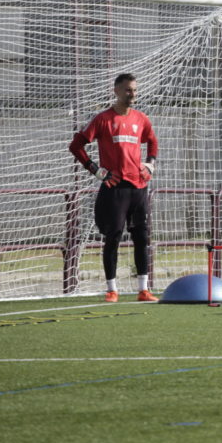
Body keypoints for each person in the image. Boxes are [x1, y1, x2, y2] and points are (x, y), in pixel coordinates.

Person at [69, 73, 159, 303]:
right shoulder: (103, 119)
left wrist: (150, 163)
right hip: (115, 187)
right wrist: (96, 170)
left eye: (135, 90)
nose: (133, 94)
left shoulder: (141, 119)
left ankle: (144, 289)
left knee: (142, 236)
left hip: (138, 187)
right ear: (116, 91)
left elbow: (153, 141)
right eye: (128, 90)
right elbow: (76, 145)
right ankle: (112, 289)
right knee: (114, 236)